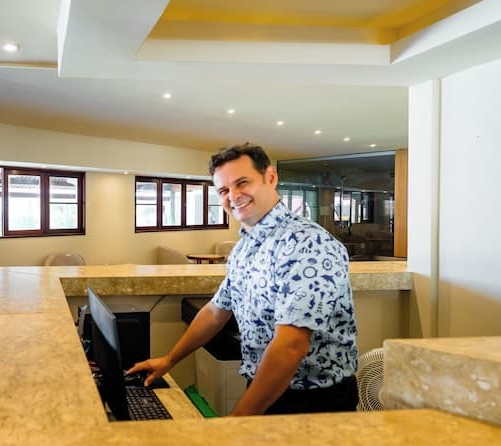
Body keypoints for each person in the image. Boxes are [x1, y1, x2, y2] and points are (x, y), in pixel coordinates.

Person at [127, 143, 358, 415]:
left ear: (270, 177)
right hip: (264, 386)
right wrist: (169, 360)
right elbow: (216, 311)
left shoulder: (308, 243)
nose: (233, 196)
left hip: (314, 400)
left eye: (242, 183)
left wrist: (238, 420)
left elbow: (291, 345)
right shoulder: (245, 247)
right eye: (224, 190)